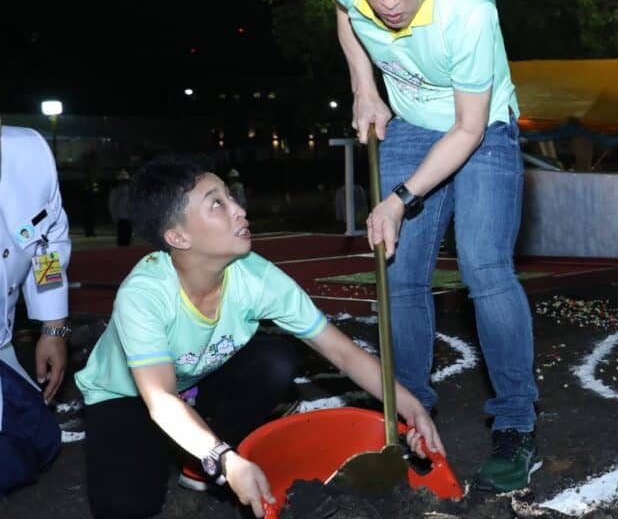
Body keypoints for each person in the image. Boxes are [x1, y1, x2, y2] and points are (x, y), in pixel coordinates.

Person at [74, 156, 441, 519]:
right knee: (127, 507)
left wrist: (411, 407)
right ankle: (195, 448)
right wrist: (225, 460)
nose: (239, 209)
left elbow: (341, 352)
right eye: (217, 203)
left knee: (274, 361)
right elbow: (162, 400)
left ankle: (198, 456)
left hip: (198, 383)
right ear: (177, 236)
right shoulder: (145, 293)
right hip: (130, 397)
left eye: (231, 197)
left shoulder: (256, 277)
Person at [325, 0, 538, 491]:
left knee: (485, 265)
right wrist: (363, 84)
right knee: (398, 268)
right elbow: (344, 11)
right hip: (413, 124)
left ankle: (517, 426)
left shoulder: (470, 10)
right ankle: (407, 414)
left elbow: (468, 130)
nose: (387, 3)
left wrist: (400, 198)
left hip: (481, 125)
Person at [0, 118, 70, 496]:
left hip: (2, 337)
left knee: (42, 441)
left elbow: (48, 244)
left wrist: (53, 326)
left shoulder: (29, 152)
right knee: (12, 464)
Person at [108, 169, 132, 246]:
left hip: (128, 217)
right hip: (121, 218)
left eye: (125, 180)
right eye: (123, 180)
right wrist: (114, 216)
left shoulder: (130, 190)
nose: (124, 182)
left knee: (127, 237)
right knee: (122, 238)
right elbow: (112, 203)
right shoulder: (116, 190)